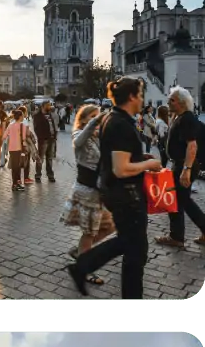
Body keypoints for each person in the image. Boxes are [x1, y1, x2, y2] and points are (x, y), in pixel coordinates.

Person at [68, 76, 162, 298]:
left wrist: (139, 156)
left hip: (118, 194)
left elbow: (116, 158)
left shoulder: (114, 118)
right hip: (127, 196)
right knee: (134, 248)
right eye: (140, 95)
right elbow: (121, 169)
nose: (142, 99)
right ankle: (82, 267)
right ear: (131, 96)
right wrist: (149, 163)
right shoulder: (121, 124)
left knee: (132, 249)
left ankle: (85, 268)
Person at [63, 104, 115, 286]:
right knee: (89, 233)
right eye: (92, 116)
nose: (98, 120)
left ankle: (80, 252)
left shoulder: (99, 137)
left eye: (98, 116)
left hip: (100, 191)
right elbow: (78, 142)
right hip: (87, 192)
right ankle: (84, 269)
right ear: (84, 119)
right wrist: (95, 121)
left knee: (110, 226)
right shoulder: (78, 134)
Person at [156, 86, 205, 249]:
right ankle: (179, 235)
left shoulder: (187, 118)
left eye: (172, 99)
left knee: (177, 200)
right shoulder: (179, 117)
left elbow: (192, 146)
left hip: (185, 164)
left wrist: (186, 169)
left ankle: (176, 236)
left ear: (182, 102)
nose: (168, 102)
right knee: (182, 200)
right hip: (180, 164)